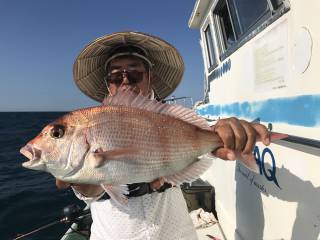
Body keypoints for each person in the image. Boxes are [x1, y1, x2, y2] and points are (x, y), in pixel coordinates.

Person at [56, 31, 270, 240]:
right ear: (107, 83)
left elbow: (200, 134)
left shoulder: (175, 120)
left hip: (177, 232)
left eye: (134, 72)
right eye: (115, 75)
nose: (125, 81)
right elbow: (91, 191)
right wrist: (79, 178)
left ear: (150, 77)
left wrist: (227, 132)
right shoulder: (92, 126)